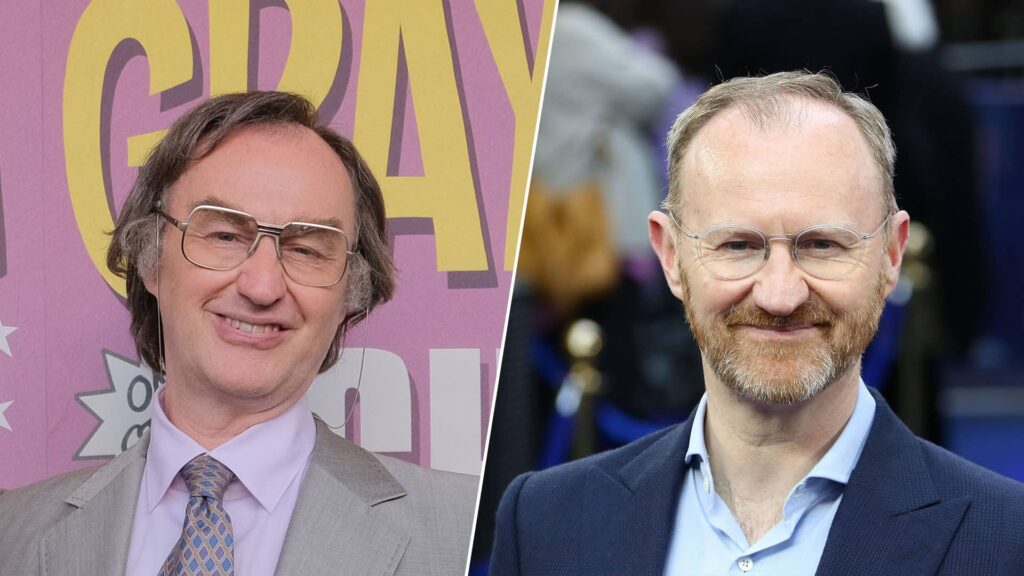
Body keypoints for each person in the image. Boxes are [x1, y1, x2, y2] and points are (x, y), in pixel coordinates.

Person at [490, 71, 1024, 575]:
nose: (780, 294)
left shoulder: (1005, 540)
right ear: (671, 255)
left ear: (891, 254)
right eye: (738, 245)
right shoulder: (544, 522)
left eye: (821, 245)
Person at [0, 92, 476, 576]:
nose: (263, 286)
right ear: (149, 257)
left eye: (308, 249)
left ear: (352, 294)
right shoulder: (12, 533)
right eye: (225, 236)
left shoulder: (469, 532)